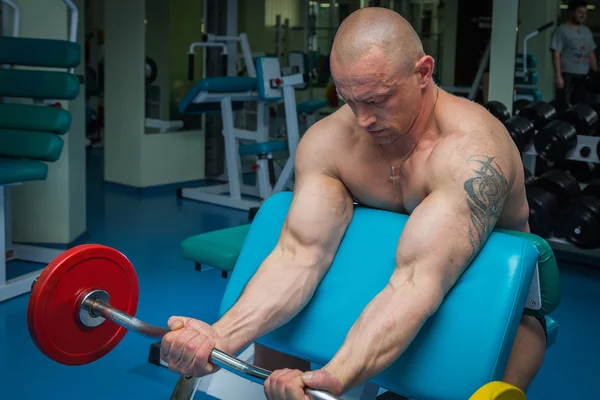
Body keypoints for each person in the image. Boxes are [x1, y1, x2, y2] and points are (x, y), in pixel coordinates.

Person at [160, 8, 546, 399]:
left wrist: (334, 377)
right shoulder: (331, 142)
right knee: (274, 347)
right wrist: (219, 335)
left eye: (378, 100)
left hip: (485, 309)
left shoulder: (471, 154)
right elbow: (299, 255)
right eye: (348, 99)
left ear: (423, 72)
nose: (363, 120)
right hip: (385, 288)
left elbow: (416, 282)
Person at [550, 1, 598, 109]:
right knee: (565, 107)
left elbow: (590, 52)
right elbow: (556, 53)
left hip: (584, 75)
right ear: (571, 13)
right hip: (567, 75)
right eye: (580, 12)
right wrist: (558, 76)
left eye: (585, 13)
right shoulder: (562, 30)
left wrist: (595, 73)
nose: (583, 15)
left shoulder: (587, 31)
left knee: (585, 107)